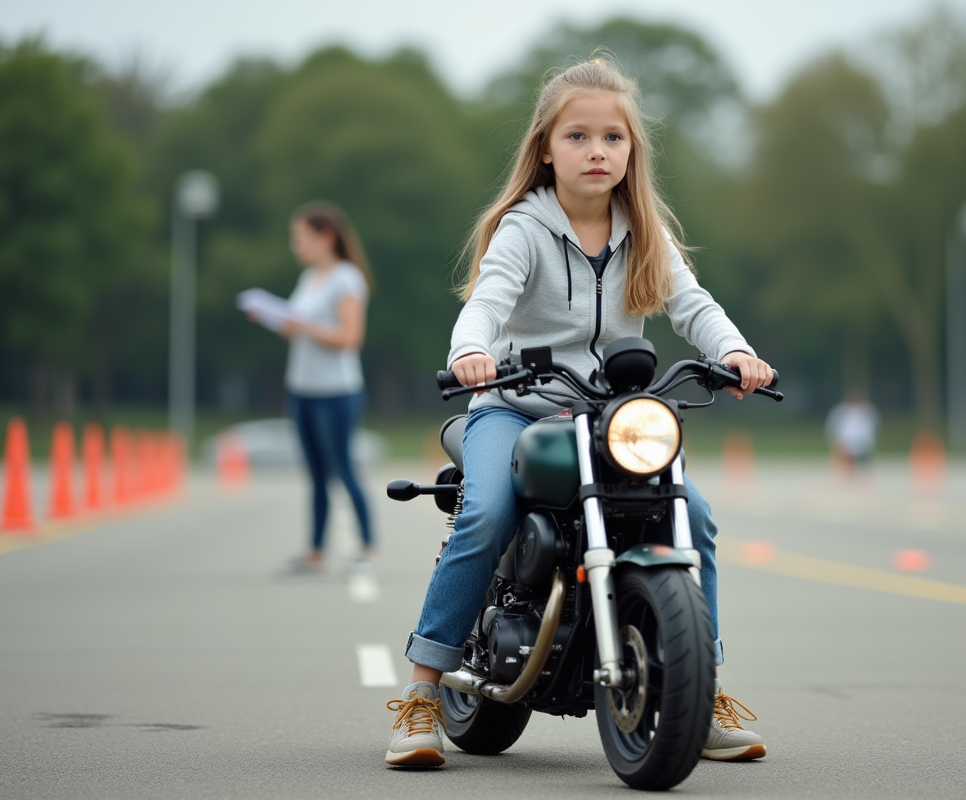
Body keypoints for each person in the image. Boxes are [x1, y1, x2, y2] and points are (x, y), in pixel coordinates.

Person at [384, 57, 772, 768]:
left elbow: (692, 305)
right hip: (515, 408)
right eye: (578, 137)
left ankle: (701, 683)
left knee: (697, 515)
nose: (597, 152)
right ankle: (421, 694)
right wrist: (472, 352)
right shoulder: (523, 230)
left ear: (632, 151)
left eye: (613, 139)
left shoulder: (644, 230)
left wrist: (738, 353)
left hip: (612, 415)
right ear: (545, 148)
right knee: (486, 511)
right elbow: (488, 302)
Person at [257, 202, 374, 574]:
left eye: (301, 237)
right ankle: (315, 551)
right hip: (302, 389)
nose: (296, 246)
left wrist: (303, 325)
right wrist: (273, 317)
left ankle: (368, 550)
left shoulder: (346, 279)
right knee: (316, 475)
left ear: (326, 236)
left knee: (343, 469)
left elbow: (350, 337)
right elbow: (297, 327)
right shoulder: (309, 279)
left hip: (336, 392)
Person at [825, 390, 880, 475]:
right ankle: (846, 475)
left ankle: (860, 475)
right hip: (847, 440)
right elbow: (833, 425)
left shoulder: (868, 410)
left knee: (863, 461)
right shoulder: (841, 410)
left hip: (862, 440)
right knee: (846, 459)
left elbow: (873, 425)